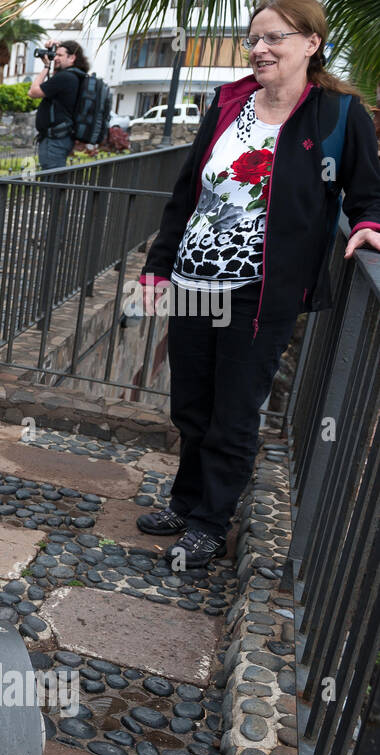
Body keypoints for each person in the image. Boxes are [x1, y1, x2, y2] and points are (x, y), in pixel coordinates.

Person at [133, 0, 380, 568]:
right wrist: (157, 267)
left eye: (275, 38)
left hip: (260, 291)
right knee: (192, 405)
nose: (260, 49)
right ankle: (185, 500)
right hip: (194, 280)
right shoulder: (229, 102)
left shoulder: (338, 115)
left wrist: (367, 225)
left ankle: (209, 524)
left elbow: (368, 191)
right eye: (253, 40)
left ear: (312, 43)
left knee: (235, 413)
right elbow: (187, 196)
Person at [29, 40, 90, 170]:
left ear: (72, 58)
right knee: (54, 181)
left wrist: (46, 67)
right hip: (62, 137)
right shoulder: (75, 76)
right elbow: (54, 81)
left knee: (52, 182)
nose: (55, 58)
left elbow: (33, 92)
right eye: (55, 54)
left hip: (55, 140)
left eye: (60, 55)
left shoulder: (66, 77)